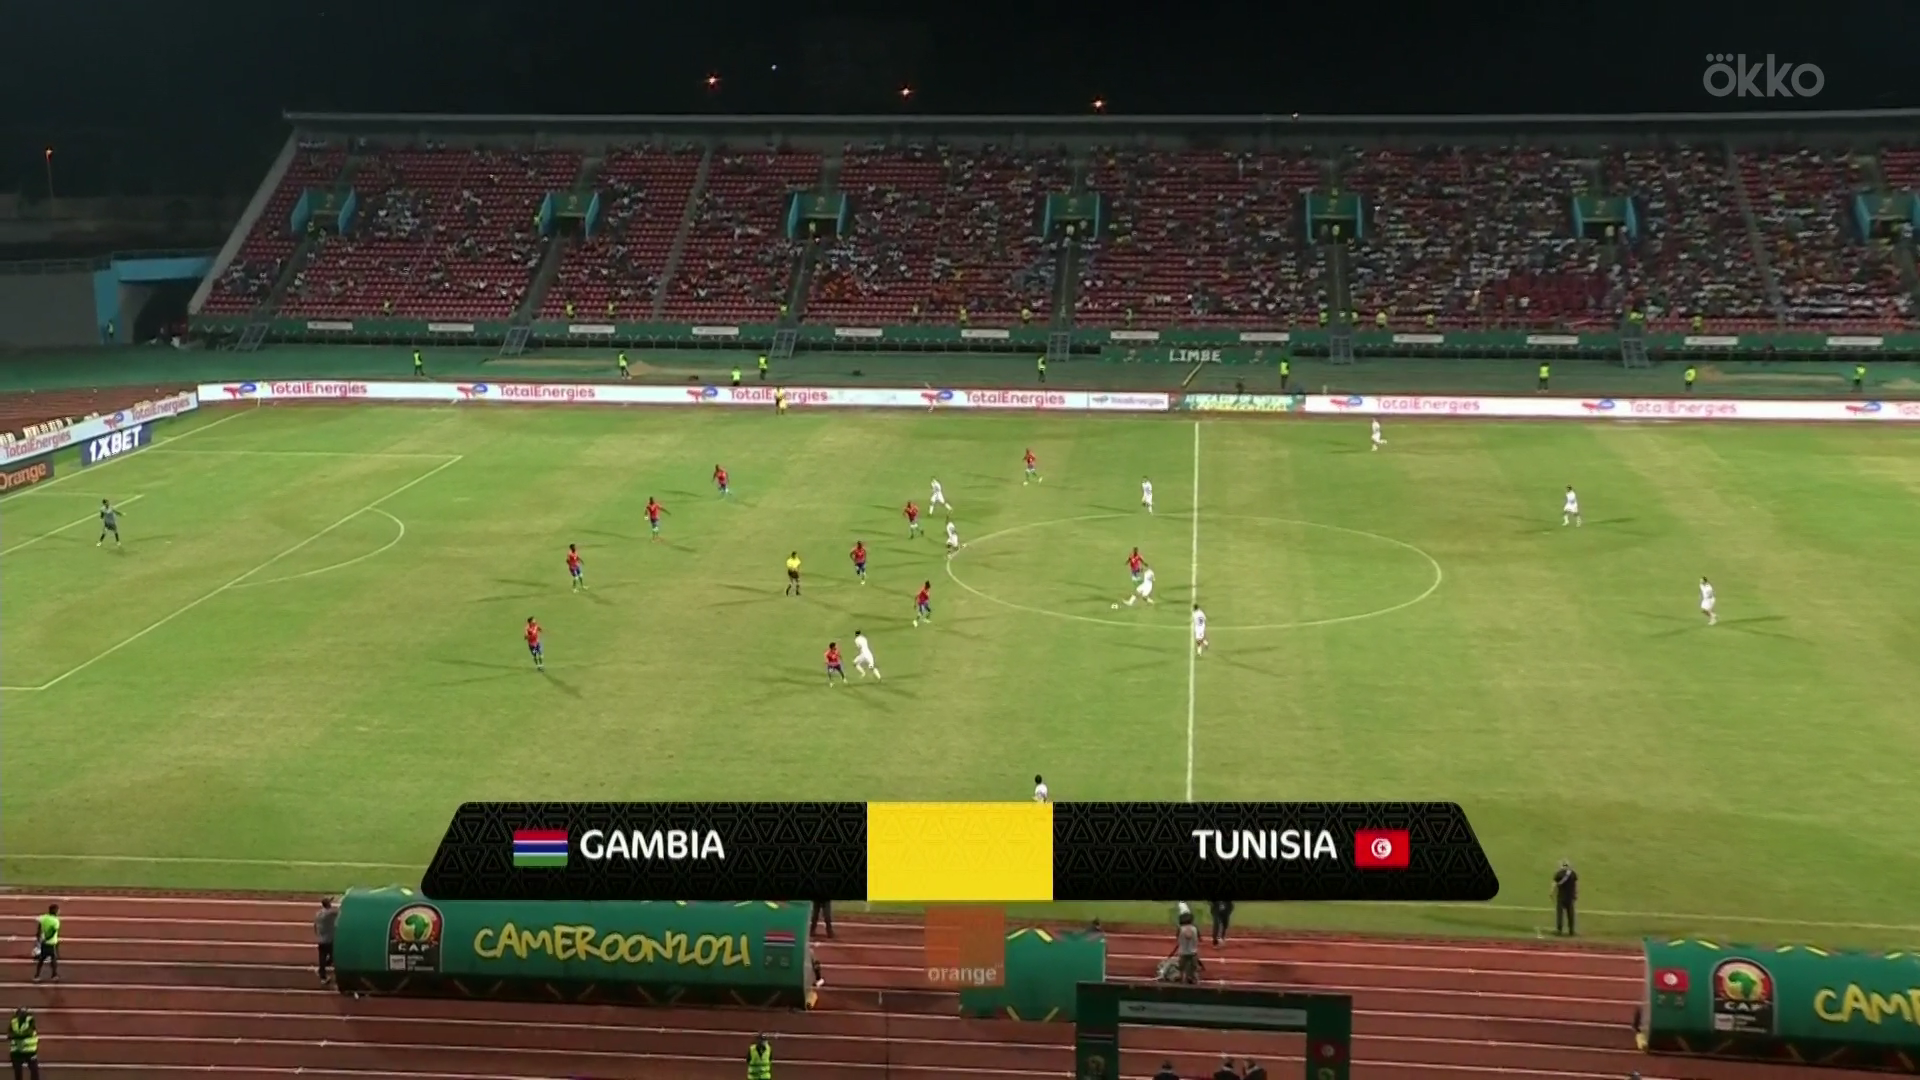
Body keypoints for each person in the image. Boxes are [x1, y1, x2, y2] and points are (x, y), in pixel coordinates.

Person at [31, 904, 59, 983]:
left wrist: (39, 938)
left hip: (44, 943)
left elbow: (39, 926)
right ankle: (54, 975)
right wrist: (47, 939)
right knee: (53, 959)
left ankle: (37, 976)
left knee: (41, 959)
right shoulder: (55, 921)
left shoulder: (43, 918)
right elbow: (53, 932)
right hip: (51, 943)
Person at [1172, 908, 1201, 984]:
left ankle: (1182, 978)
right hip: (1193, 952)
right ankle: (1192, 978)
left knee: (1181, 968)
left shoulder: (1180, 929)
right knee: (1193, 968)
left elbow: (1178, 938)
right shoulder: (1195, 928)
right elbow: (1199, 938)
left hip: (1183, 952)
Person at [7, 1008, 38, 1080]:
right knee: (18, 1071)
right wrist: (19, 1035)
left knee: (34, 1070)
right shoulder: (14, 1022)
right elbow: (9, 1035)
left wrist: (16, 1036)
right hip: (17, 1050)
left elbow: (29, 1033)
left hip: (30, 1050)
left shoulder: (30, 1021)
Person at [315, 897, 338, 983]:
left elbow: (315, 926)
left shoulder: (318, 914)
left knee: (322, 957)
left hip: (321, 939)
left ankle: (322, 974)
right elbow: (340, 912)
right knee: (332, 957)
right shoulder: (330, 913)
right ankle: (322, 972)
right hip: (329, 940)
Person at [1552, 860, 1578, 936]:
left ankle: (1559, 930)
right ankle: (1571, 931)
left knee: (1560, 914)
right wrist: (1576, 894)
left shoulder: (1559, 873)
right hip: (1570, 897)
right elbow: (1576, 885)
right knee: (1570, 914)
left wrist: (1551, 893)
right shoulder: (1573, 874)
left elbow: (1554, 884)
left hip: (1561, 897)